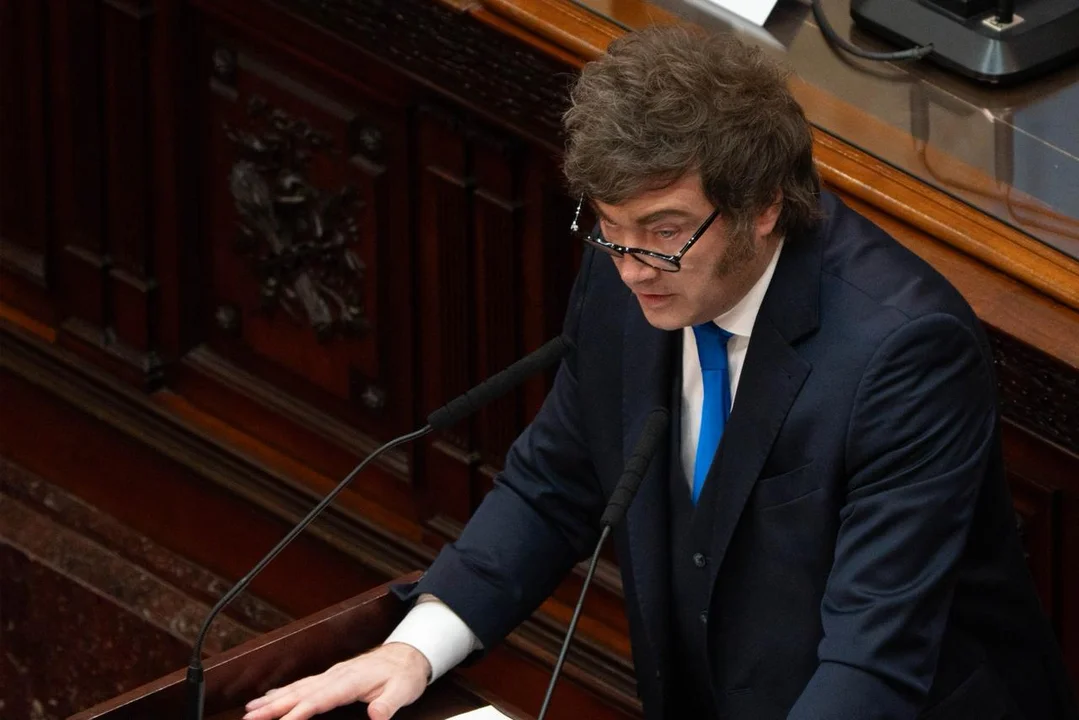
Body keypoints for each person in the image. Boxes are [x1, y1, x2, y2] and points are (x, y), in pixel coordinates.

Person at [243, 25, 1078, 720]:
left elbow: (873, 656)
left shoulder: (903, 353)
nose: (632, 265)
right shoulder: (630, 275)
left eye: (664, 230)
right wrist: (414, 648)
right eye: (609, 228)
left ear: (762, 204)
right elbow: (554, 484)